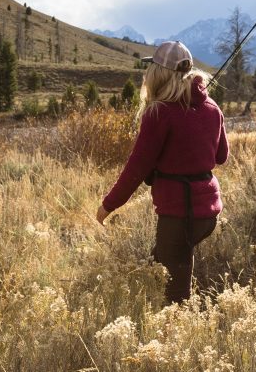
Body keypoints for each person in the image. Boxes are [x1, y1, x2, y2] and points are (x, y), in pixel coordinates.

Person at [97, 41, 229, 304]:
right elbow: (221, 157)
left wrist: (108, 206)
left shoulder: (159, 112)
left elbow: (136, 169)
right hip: (208, 214)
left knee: (174, 294)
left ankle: (180, 333)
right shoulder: (212, 108)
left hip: (180, 214)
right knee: (165, 263)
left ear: (158, 74)